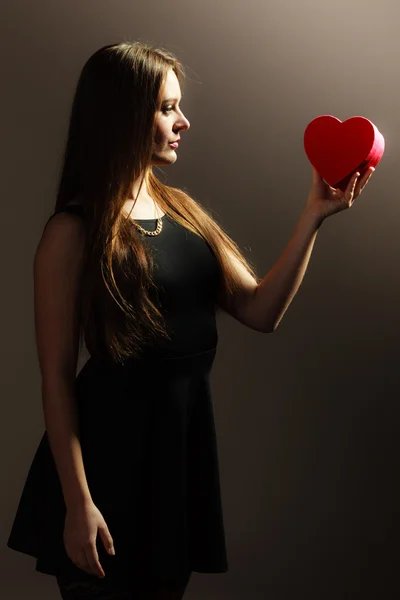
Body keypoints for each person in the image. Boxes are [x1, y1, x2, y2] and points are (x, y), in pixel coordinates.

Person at [6, 41, 374, 600]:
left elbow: (260, 310)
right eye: (166, 107)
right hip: (106, 468)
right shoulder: (71, 233)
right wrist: (78, 503)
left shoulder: (182, 210)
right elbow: (56, 377)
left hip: (176, 457)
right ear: (125, 116)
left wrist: (314, 214)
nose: (184, 121)